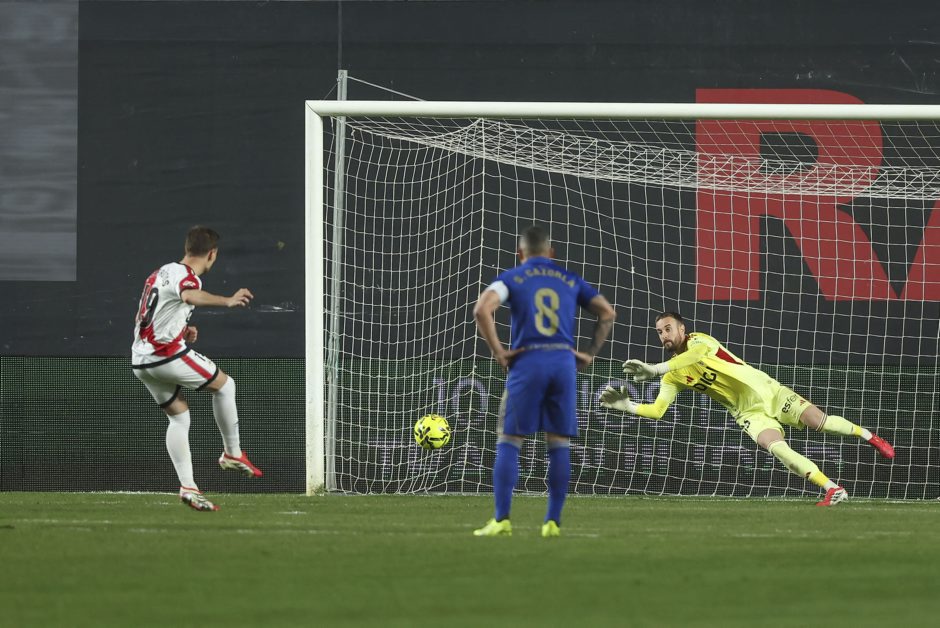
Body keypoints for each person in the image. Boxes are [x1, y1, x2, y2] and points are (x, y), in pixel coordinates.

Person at [600, 311, 895, 506]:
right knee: (776, 448)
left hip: (768, 392)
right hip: (747, 413)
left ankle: (869, 436)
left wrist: (655, 368)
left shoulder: (698, 340)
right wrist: (628, 406)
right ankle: (833, 489)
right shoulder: (672, 375)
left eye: (668, 328)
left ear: (682, 329)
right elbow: (658, 410)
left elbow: (695, 356)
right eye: (659, 332)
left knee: (821, 422)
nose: (664, 335)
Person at [472, 224, 616, 537]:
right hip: (562, 363)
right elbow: (607, 312)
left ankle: (502, 520)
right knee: (559, 441)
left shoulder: (512, 277)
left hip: (528, 360)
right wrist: (589, 353)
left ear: (520, 253)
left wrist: (499, 352)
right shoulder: (569, 279)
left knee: (510, 439)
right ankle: (552, 522)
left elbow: (482, 309)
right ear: (550, 253)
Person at [131, 226, 262, 512]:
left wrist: (182, 330)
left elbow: (150, 315)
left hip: (141, 360)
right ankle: (232, 453)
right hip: (165, 356)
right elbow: (189, 296)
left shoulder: (161, 272)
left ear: (187, 247)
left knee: (179, 418)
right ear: (212, 254)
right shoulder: (188, 278)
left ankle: (188, 487)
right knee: (225, 386)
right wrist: (227, 300)